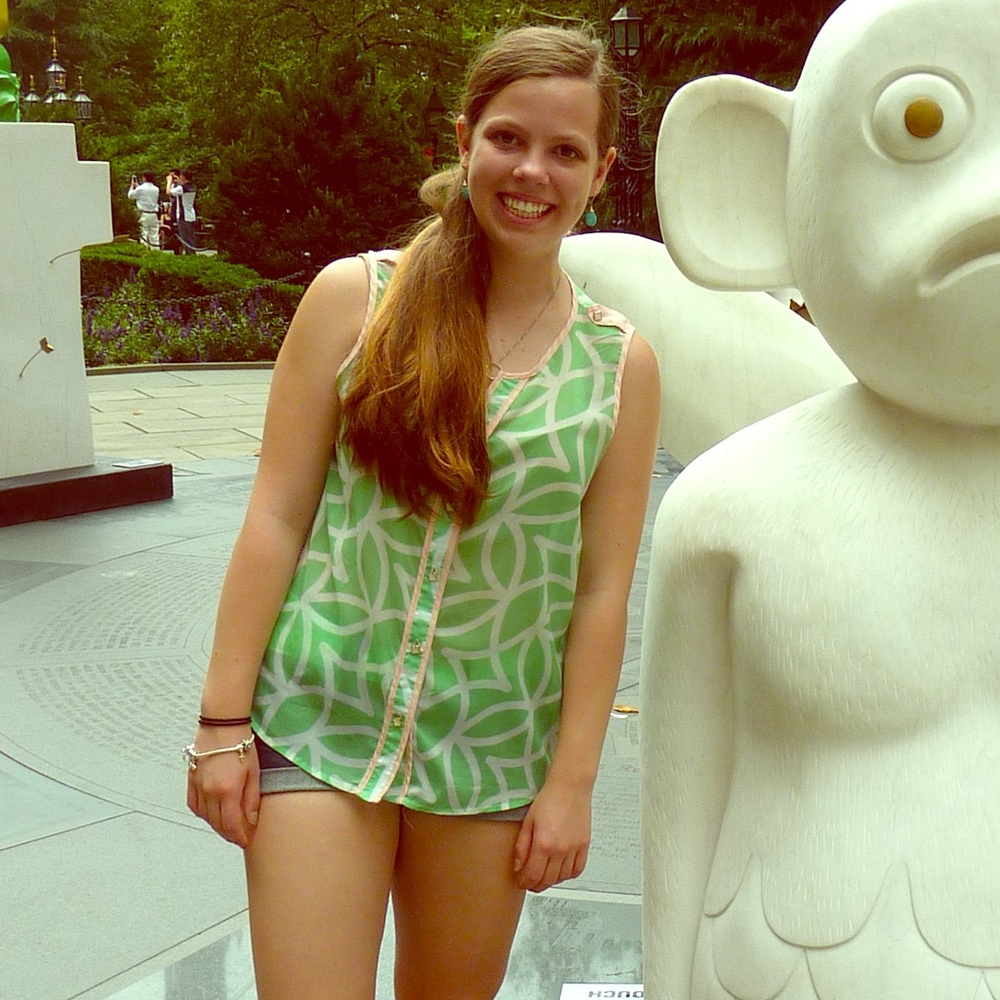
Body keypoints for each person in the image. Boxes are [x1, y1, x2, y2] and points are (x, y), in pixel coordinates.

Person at [185, 24, 660, 1000]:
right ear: (464, 139)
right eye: (508, 138)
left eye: (565, 150)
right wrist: (222, 720)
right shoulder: (357, 299)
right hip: (320, 719)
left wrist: (571, 785)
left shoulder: (619, 366)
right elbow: (276, 514)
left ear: (601, 169)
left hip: (490, 753)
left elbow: (603, 588)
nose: (531, 170)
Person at [127, 171, 161, 249]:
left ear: (144, 177)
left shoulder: (141, 188)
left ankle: (144, 251)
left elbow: (130, 195)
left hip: (143, 214)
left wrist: (132, 186)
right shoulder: (156, 189)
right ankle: (155, 252)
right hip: (153, 214)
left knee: (144, 235)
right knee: (154, 236)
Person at [168, 168, 197, 252]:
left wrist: (169, 181)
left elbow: (168, 192)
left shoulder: (182, 188)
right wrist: (178, 180)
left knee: (185, 238)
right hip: (191, 214)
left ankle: (189, 254)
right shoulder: (192, 186)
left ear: (183, 177)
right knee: (191, 237)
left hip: (182, 215)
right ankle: (192, 253)